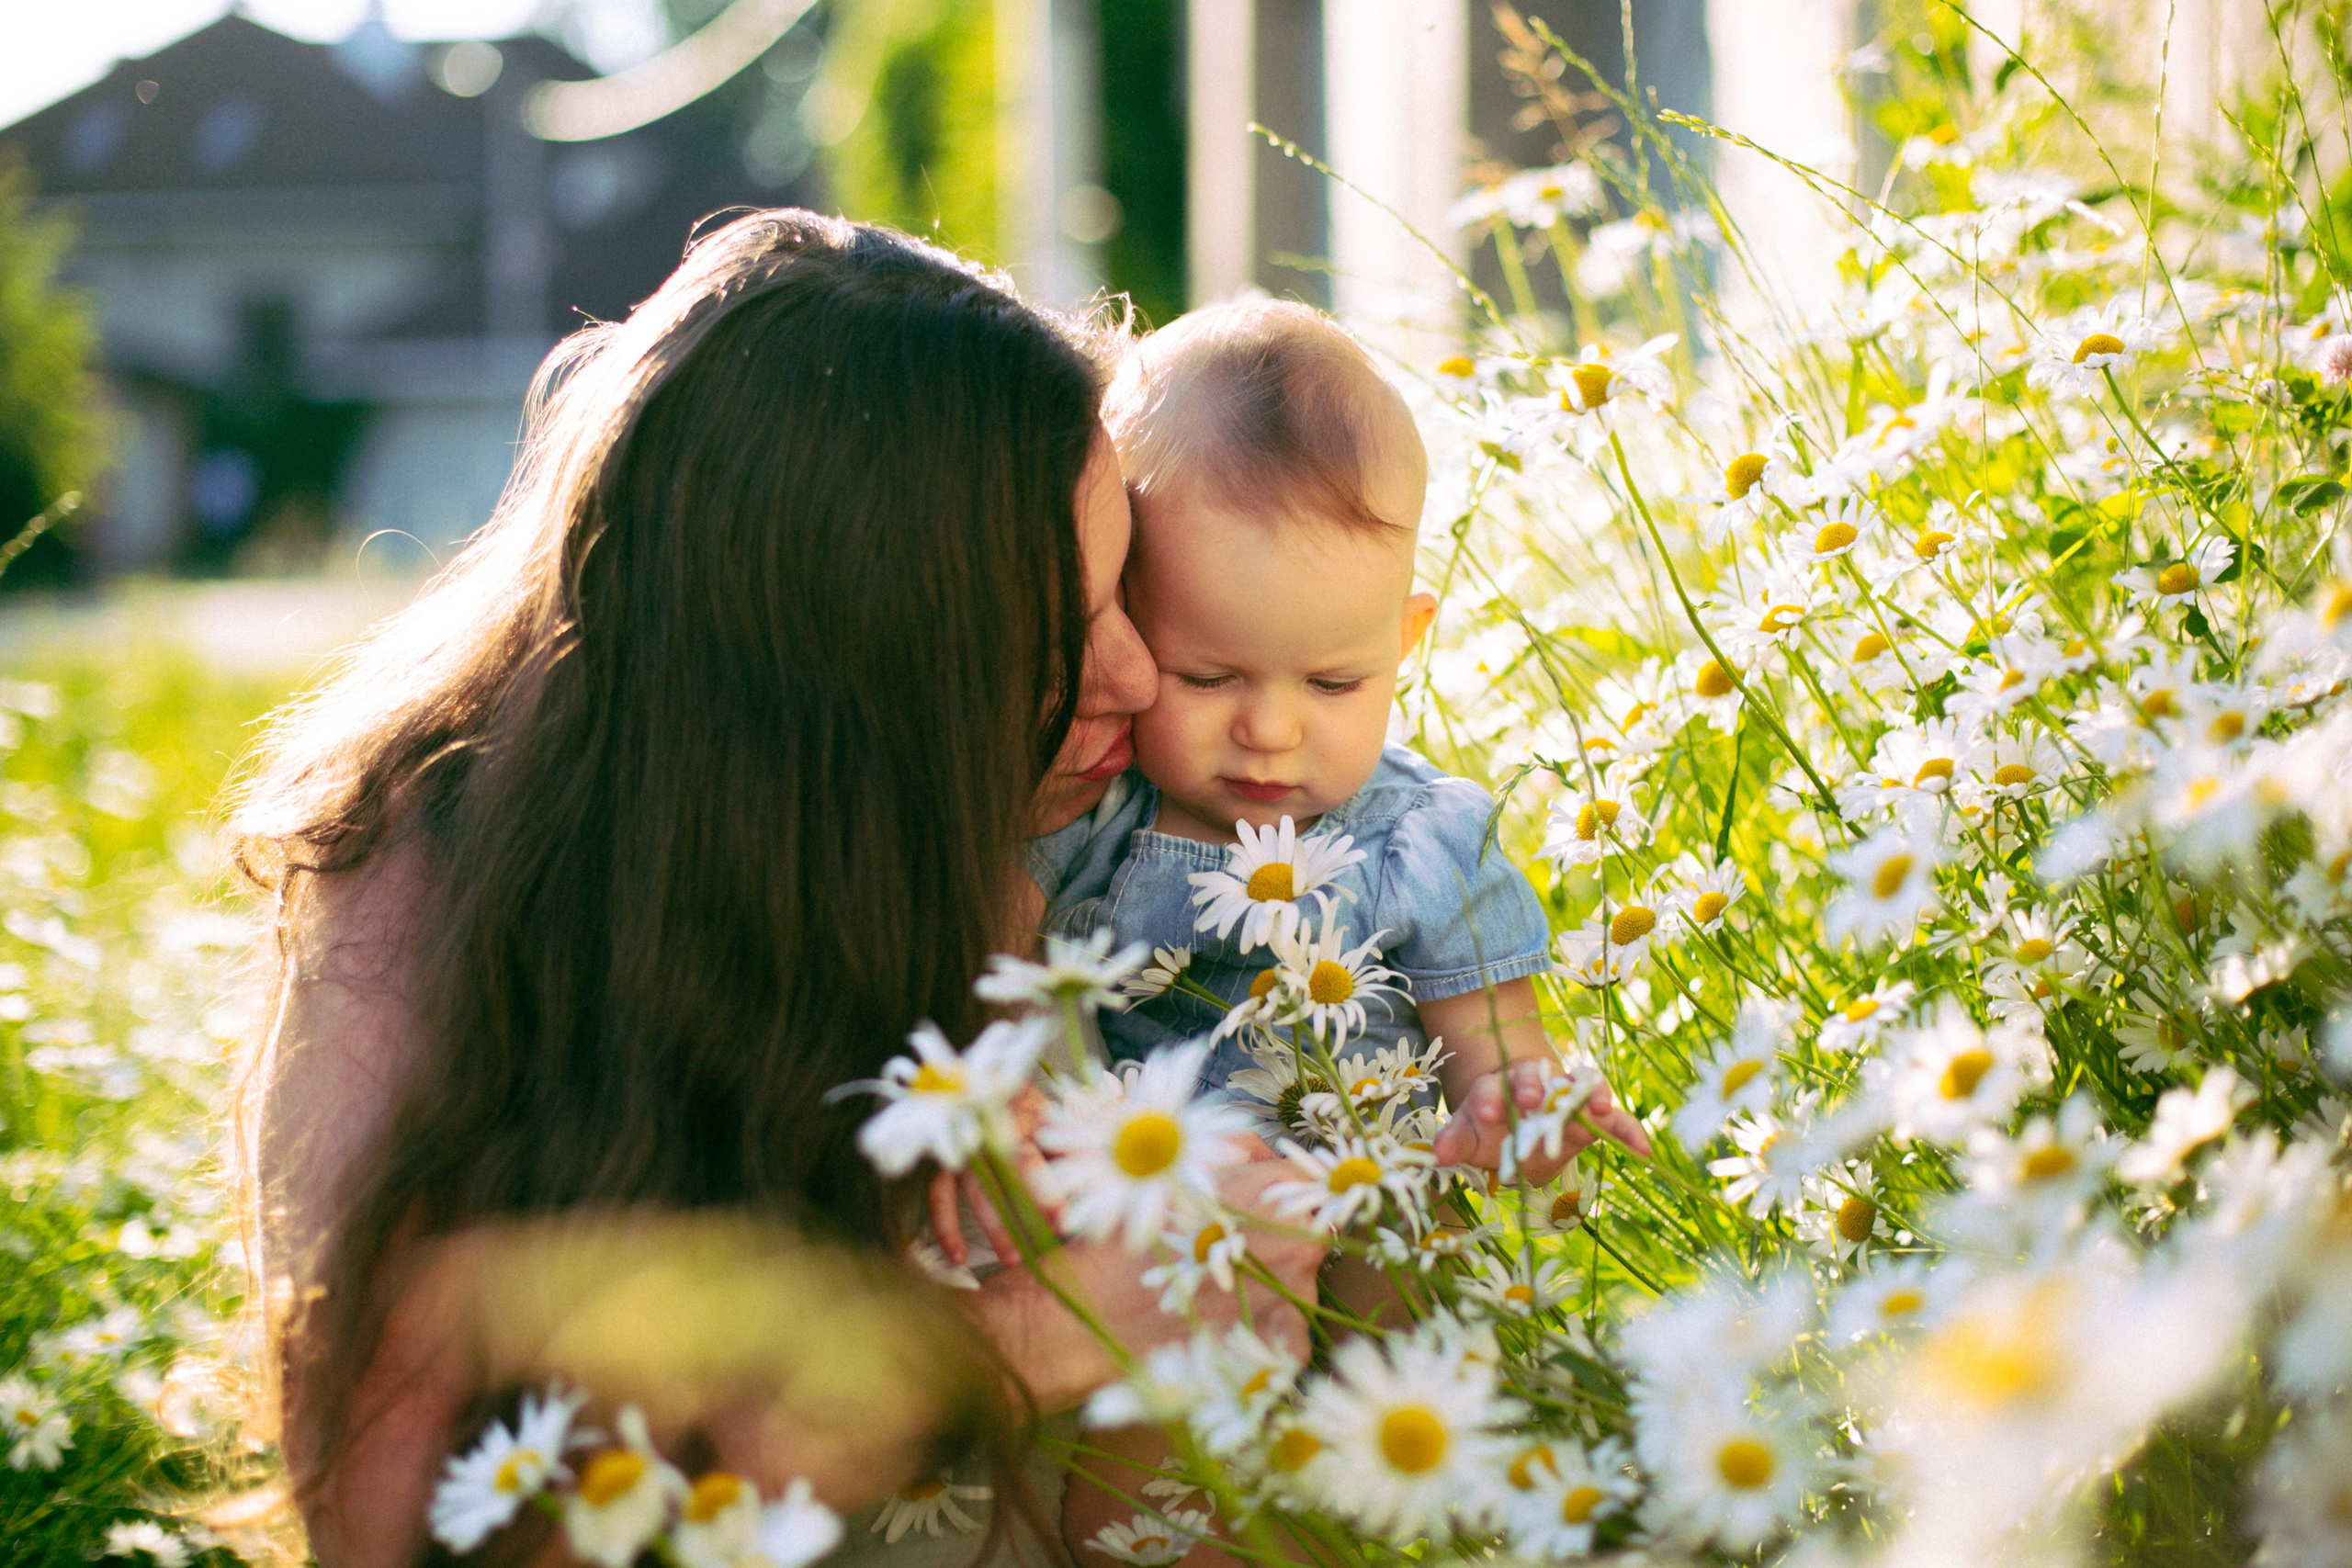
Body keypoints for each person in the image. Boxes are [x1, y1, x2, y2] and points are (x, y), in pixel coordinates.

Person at [228, 210, 1326, 1568]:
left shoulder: (1055, 832)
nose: (1138, 678)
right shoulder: (422, 871)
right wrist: (1020, 1347)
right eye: (1047, 634)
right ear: (847, 681)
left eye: (1124, 596)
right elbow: (387, 1525)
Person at [1009, 299, 1651, 1564]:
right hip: (1179, 1248)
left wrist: (1517, 1106)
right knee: (1155, 1478)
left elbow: (1499, 1043)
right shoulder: (1088, 812)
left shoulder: (1425, 839)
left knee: (1422, 1397)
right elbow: (994, 975)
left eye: (1334, 682)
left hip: (1379, 1209)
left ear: (1406, 642)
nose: (1272, 730)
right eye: (1212, 676)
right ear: (1129, 628)